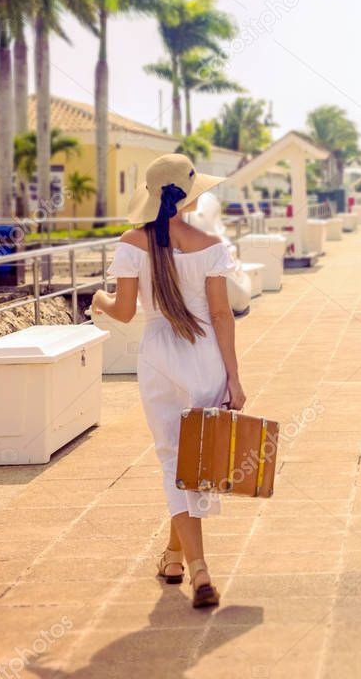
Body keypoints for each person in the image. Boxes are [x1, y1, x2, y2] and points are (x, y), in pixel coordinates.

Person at [92, 153, 246, 609]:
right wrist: (234, 377)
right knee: (196, 462)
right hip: (205, 356)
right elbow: (221, 314)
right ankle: (177, 560)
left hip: (159, 355)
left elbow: (123, 311)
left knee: (172, 461)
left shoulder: (131, 241)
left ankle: (194, 567)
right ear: (189, 194)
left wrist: (98, 298)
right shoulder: (210, 242)